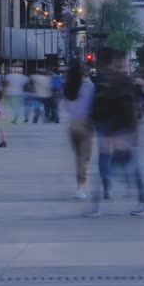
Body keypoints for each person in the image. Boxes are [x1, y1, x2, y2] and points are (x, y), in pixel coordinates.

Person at [86, 48, 144, 217]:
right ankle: (100, 204)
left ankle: (141, 202)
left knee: (127, 165)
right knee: (121, 164)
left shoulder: (120, 81)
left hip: (121, 130)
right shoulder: (113, 80)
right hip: (118, 129)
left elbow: (126, 108)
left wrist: (124, 133)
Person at [63, 62, 96, 199]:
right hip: (85, 123)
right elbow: (92, 104)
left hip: (72, 124)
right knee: (84, 157)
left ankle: (80, 185)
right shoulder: (89, 85)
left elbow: (67, 106)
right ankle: (80, 187)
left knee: (78, 156)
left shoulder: (67, 85)